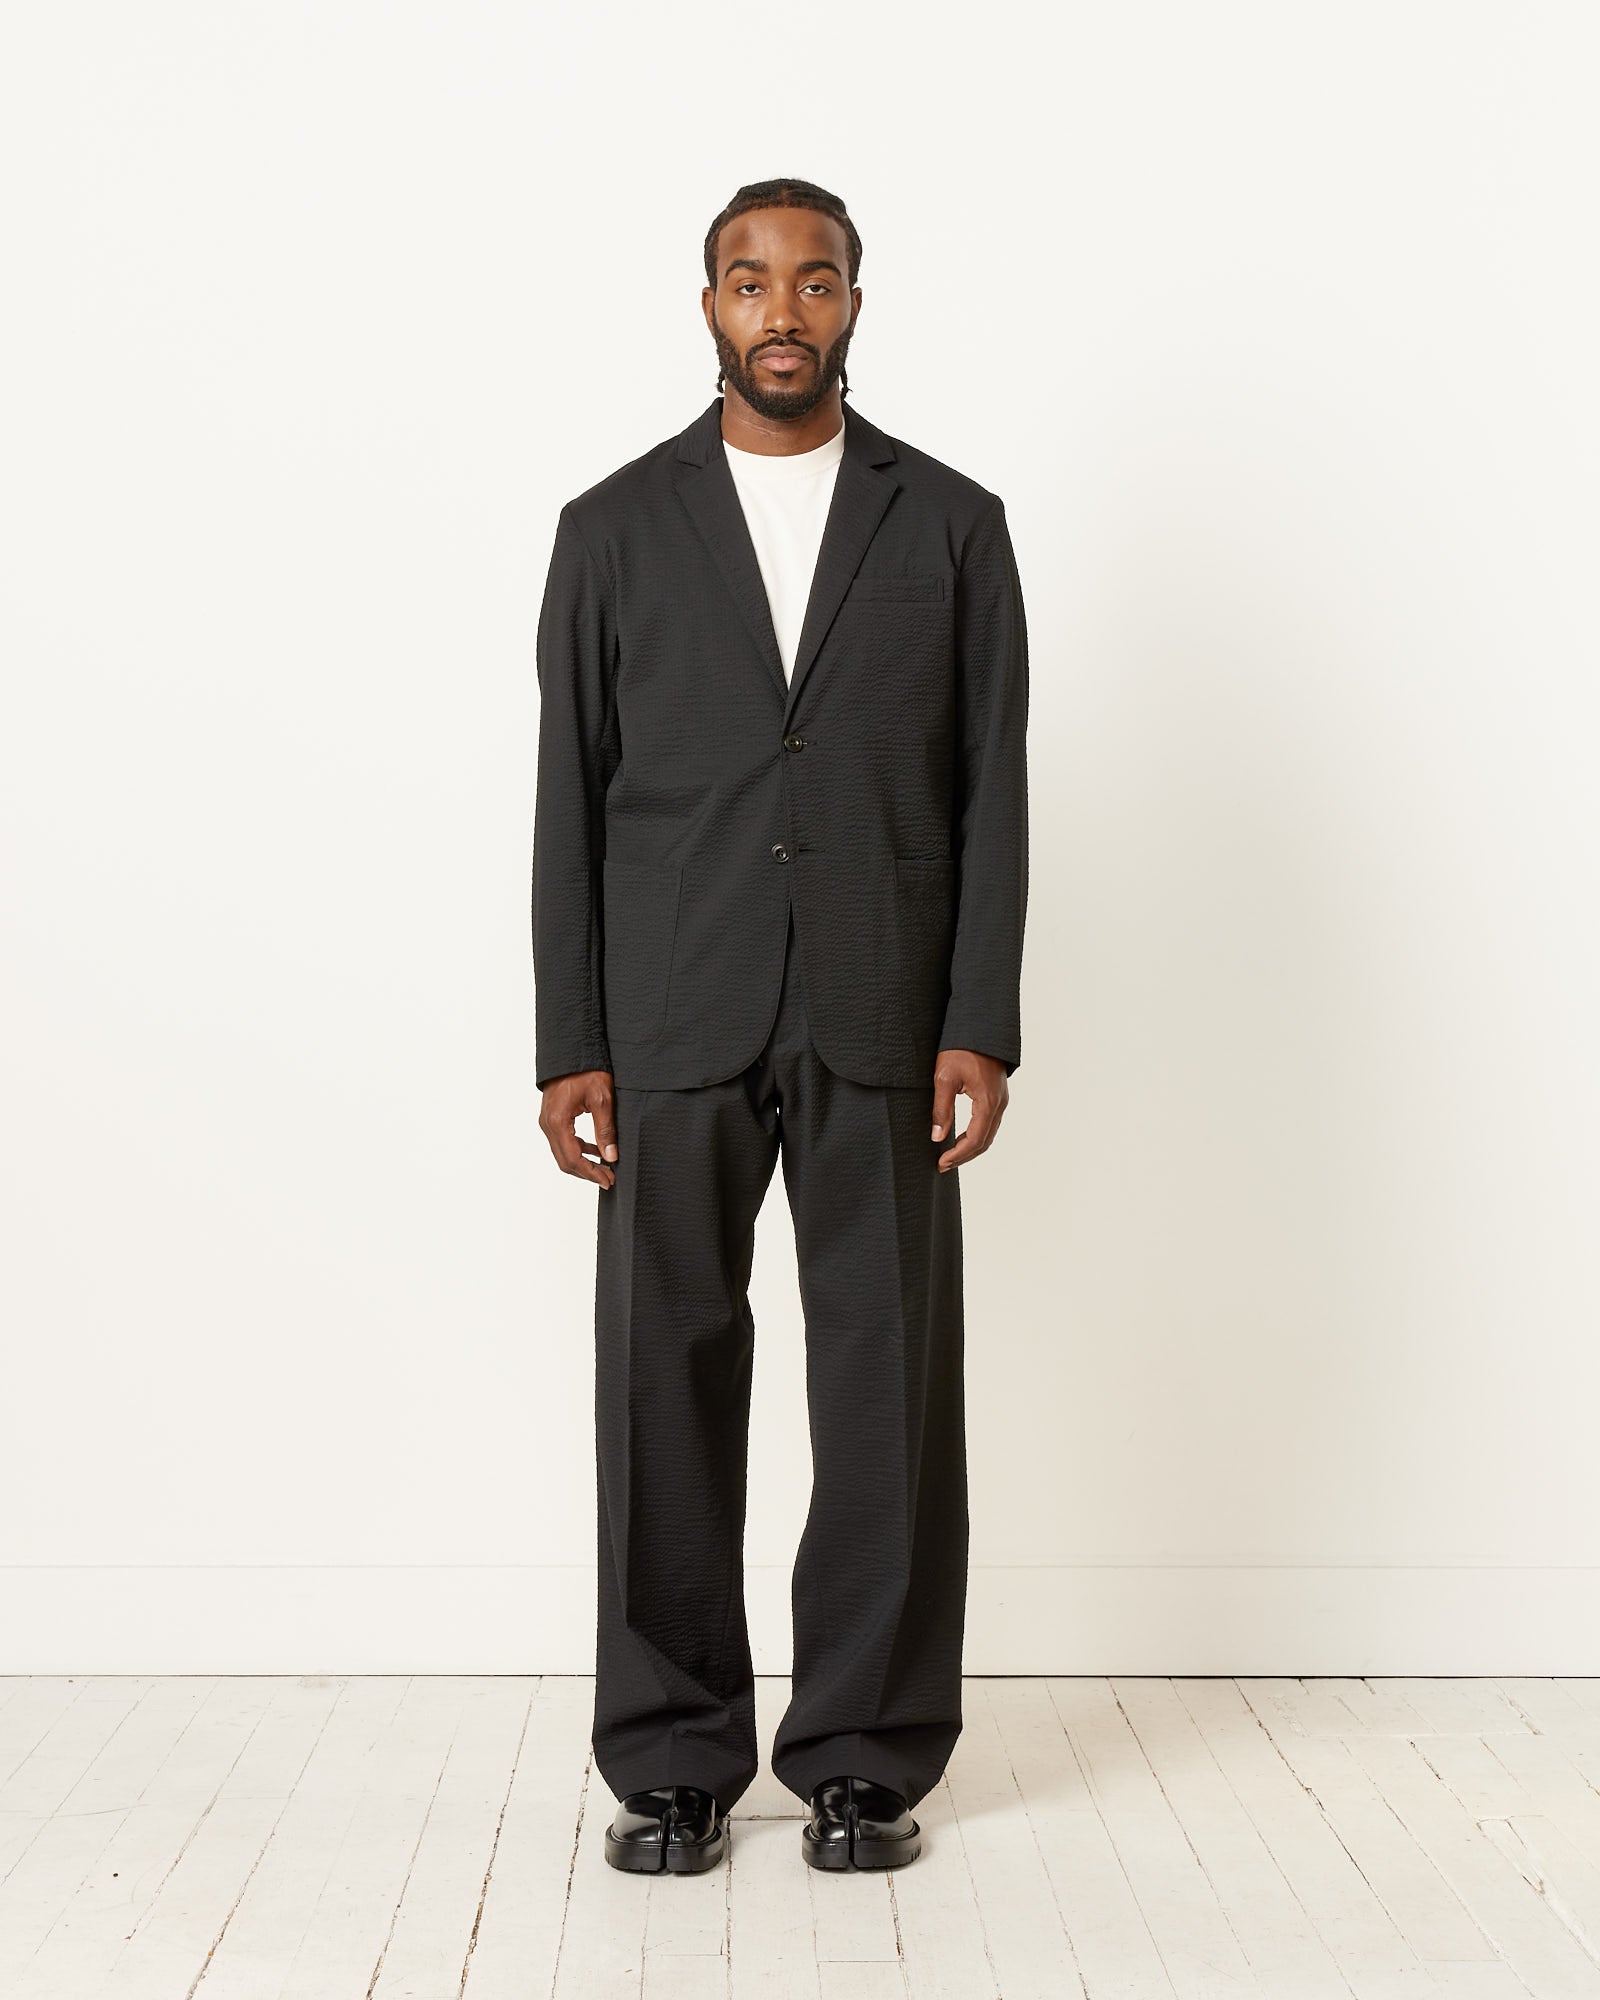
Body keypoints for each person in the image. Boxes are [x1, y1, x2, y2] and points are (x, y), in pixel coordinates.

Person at [531, 177, 1029, 1875]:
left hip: (884, 1006)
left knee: (885, 1386)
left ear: (856, 305)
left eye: (814, 281)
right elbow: (566, 805)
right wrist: (567, 1037)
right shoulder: (610, 529)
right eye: (752, 282)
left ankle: (866, 1759)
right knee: (663, 1380)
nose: (784, 310)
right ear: (708, 308)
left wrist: (981, 1018)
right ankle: (672, 1759)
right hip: (672, 1013)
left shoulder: (953, 525)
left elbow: (992, 794)